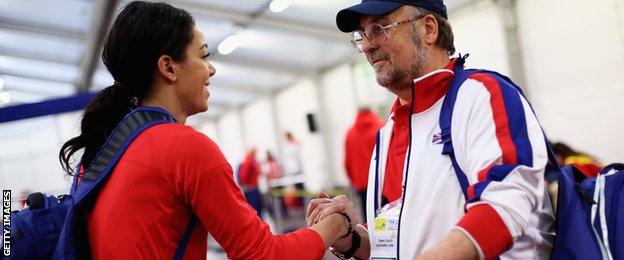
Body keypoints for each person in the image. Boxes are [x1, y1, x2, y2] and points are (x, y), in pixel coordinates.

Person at [58, 2, 351, 259]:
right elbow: (263, 254)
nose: (211, 70)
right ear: (169, 68)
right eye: (203, 55)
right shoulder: (182, 147)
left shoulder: (103, 149)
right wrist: (337, 223)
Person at [307, 0, 554, 259]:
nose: (368, 46)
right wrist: (352, 237)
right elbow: (396, 236)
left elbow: (507, 205)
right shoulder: (388, 130)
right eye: (362, 35)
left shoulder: (481, 95)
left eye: (379, 29)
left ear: (428, 29)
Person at [344, 108, 385, 219]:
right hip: (382, 181)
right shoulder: (382, 127)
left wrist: (354, 180)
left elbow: (347, 161)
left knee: (369, 217)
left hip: (361, 183)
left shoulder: (350, 133)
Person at [238, 147, 263, 217]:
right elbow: (243, 176)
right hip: (251, 189)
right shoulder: (249, 161)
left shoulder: (252, 160)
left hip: (253, 187)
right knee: (256, 209)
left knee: (258, 209)